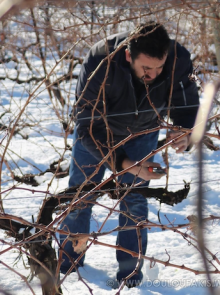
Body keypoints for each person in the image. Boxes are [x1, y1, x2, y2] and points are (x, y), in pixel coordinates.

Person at [58, 22, 199, 288]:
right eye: (146, 69)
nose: (154, 75)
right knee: (80, 196)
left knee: (134, 200)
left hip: (143, 131)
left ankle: (130, 276)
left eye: (160, 68)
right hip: (98, 135)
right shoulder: (100, 59)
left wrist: (183, 130)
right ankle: (68, 268)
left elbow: (188, 100)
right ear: (128, 56)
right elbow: (87, 126)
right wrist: (125, 164)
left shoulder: (178, 58)